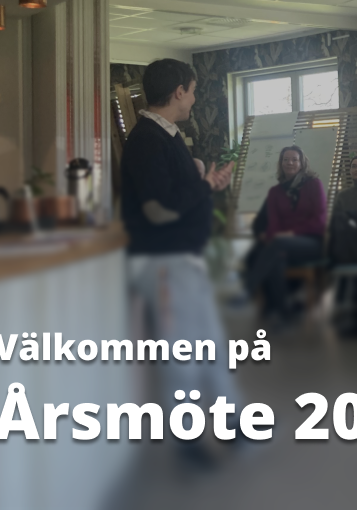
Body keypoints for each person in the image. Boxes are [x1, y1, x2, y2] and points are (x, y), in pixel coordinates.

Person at [120, 58, 239, 467]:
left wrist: (204, 183)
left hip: (182, 259)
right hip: (164, 261)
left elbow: (177, 194)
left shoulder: (166, 135)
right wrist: (202, 186)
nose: (194, 99)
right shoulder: (147, 139)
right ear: (178, 92)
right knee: (183, 355)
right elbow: (158, 210)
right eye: (192, 91)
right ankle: (188, 443)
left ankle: (233, 423)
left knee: (211, 347)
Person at [247, 146, 328, 324]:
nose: (289, 163)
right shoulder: (275, 192)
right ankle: (284, 313)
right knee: (276, 258)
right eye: (286, 159)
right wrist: (276, 237)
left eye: (294, 159)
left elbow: (320, 220)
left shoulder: (314, 184)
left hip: (312, 243)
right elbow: (273, 224)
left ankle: (250, 288)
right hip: (283, 245)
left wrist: (291, 233)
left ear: (302, 163)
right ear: (281, 163)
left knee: (278, 245)